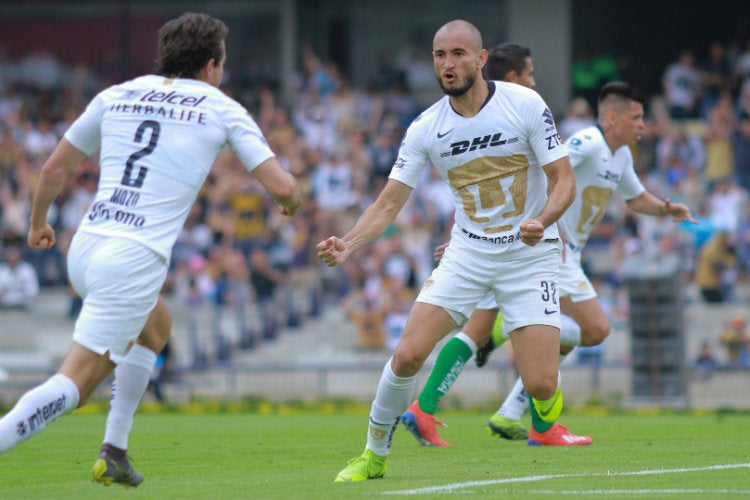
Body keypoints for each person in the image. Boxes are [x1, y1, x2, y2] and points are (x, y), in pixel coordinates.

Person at [0, 12, 301, 489]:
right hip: (131, 259)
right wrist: (290, 203)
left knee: (156, 326)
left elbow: (55, 168)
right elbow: (282, 186)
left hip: (86, 246)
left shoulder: (117, 93)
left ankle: (114, 450)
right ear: (210, 65)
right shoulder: (220, 106)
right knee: (75, 386)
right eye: (220, 64)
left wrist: (38, 223)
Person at [318, 20, 576, 482]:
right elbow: (388, 202)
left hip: (529, 254)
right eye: (439, 55)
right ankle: (373, 455)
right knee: (408, 355)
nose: (448, 63)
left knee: (541, 384)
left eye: (458, 53)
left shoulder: (524, 104)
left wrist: (543, 221)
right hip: (468, 254)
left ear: (481, 59)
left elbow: (564, 180)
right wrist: (350, 244)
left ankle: (541, 406)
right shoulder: (426, 128)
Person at [482, 82, 697, 439]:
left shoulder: (621, 155)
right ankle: (511, 323)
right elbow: (548, 170)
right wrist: (552, 223)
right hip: (554, 247)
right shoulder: (587, 142)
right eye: (637, 117)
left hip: (571, 252)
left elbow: (635, 197)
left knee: (561, 345)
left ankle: (509, 413)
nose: (643, 125)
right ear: (611, 118)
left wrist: (665, 208)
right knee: (597, 329)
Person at [401, 42, 589, 447]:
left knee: (478, 329)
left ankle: (429, 407)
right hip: (507, 248)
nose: (535, 81)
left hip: (512, 241)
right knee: (588, 328)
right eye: (530, 73)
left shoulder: (519, 114)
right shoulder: (512, 112)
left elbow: (491, 187)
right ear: (512, 79)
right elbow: (485, 187)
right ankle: (536, 422)